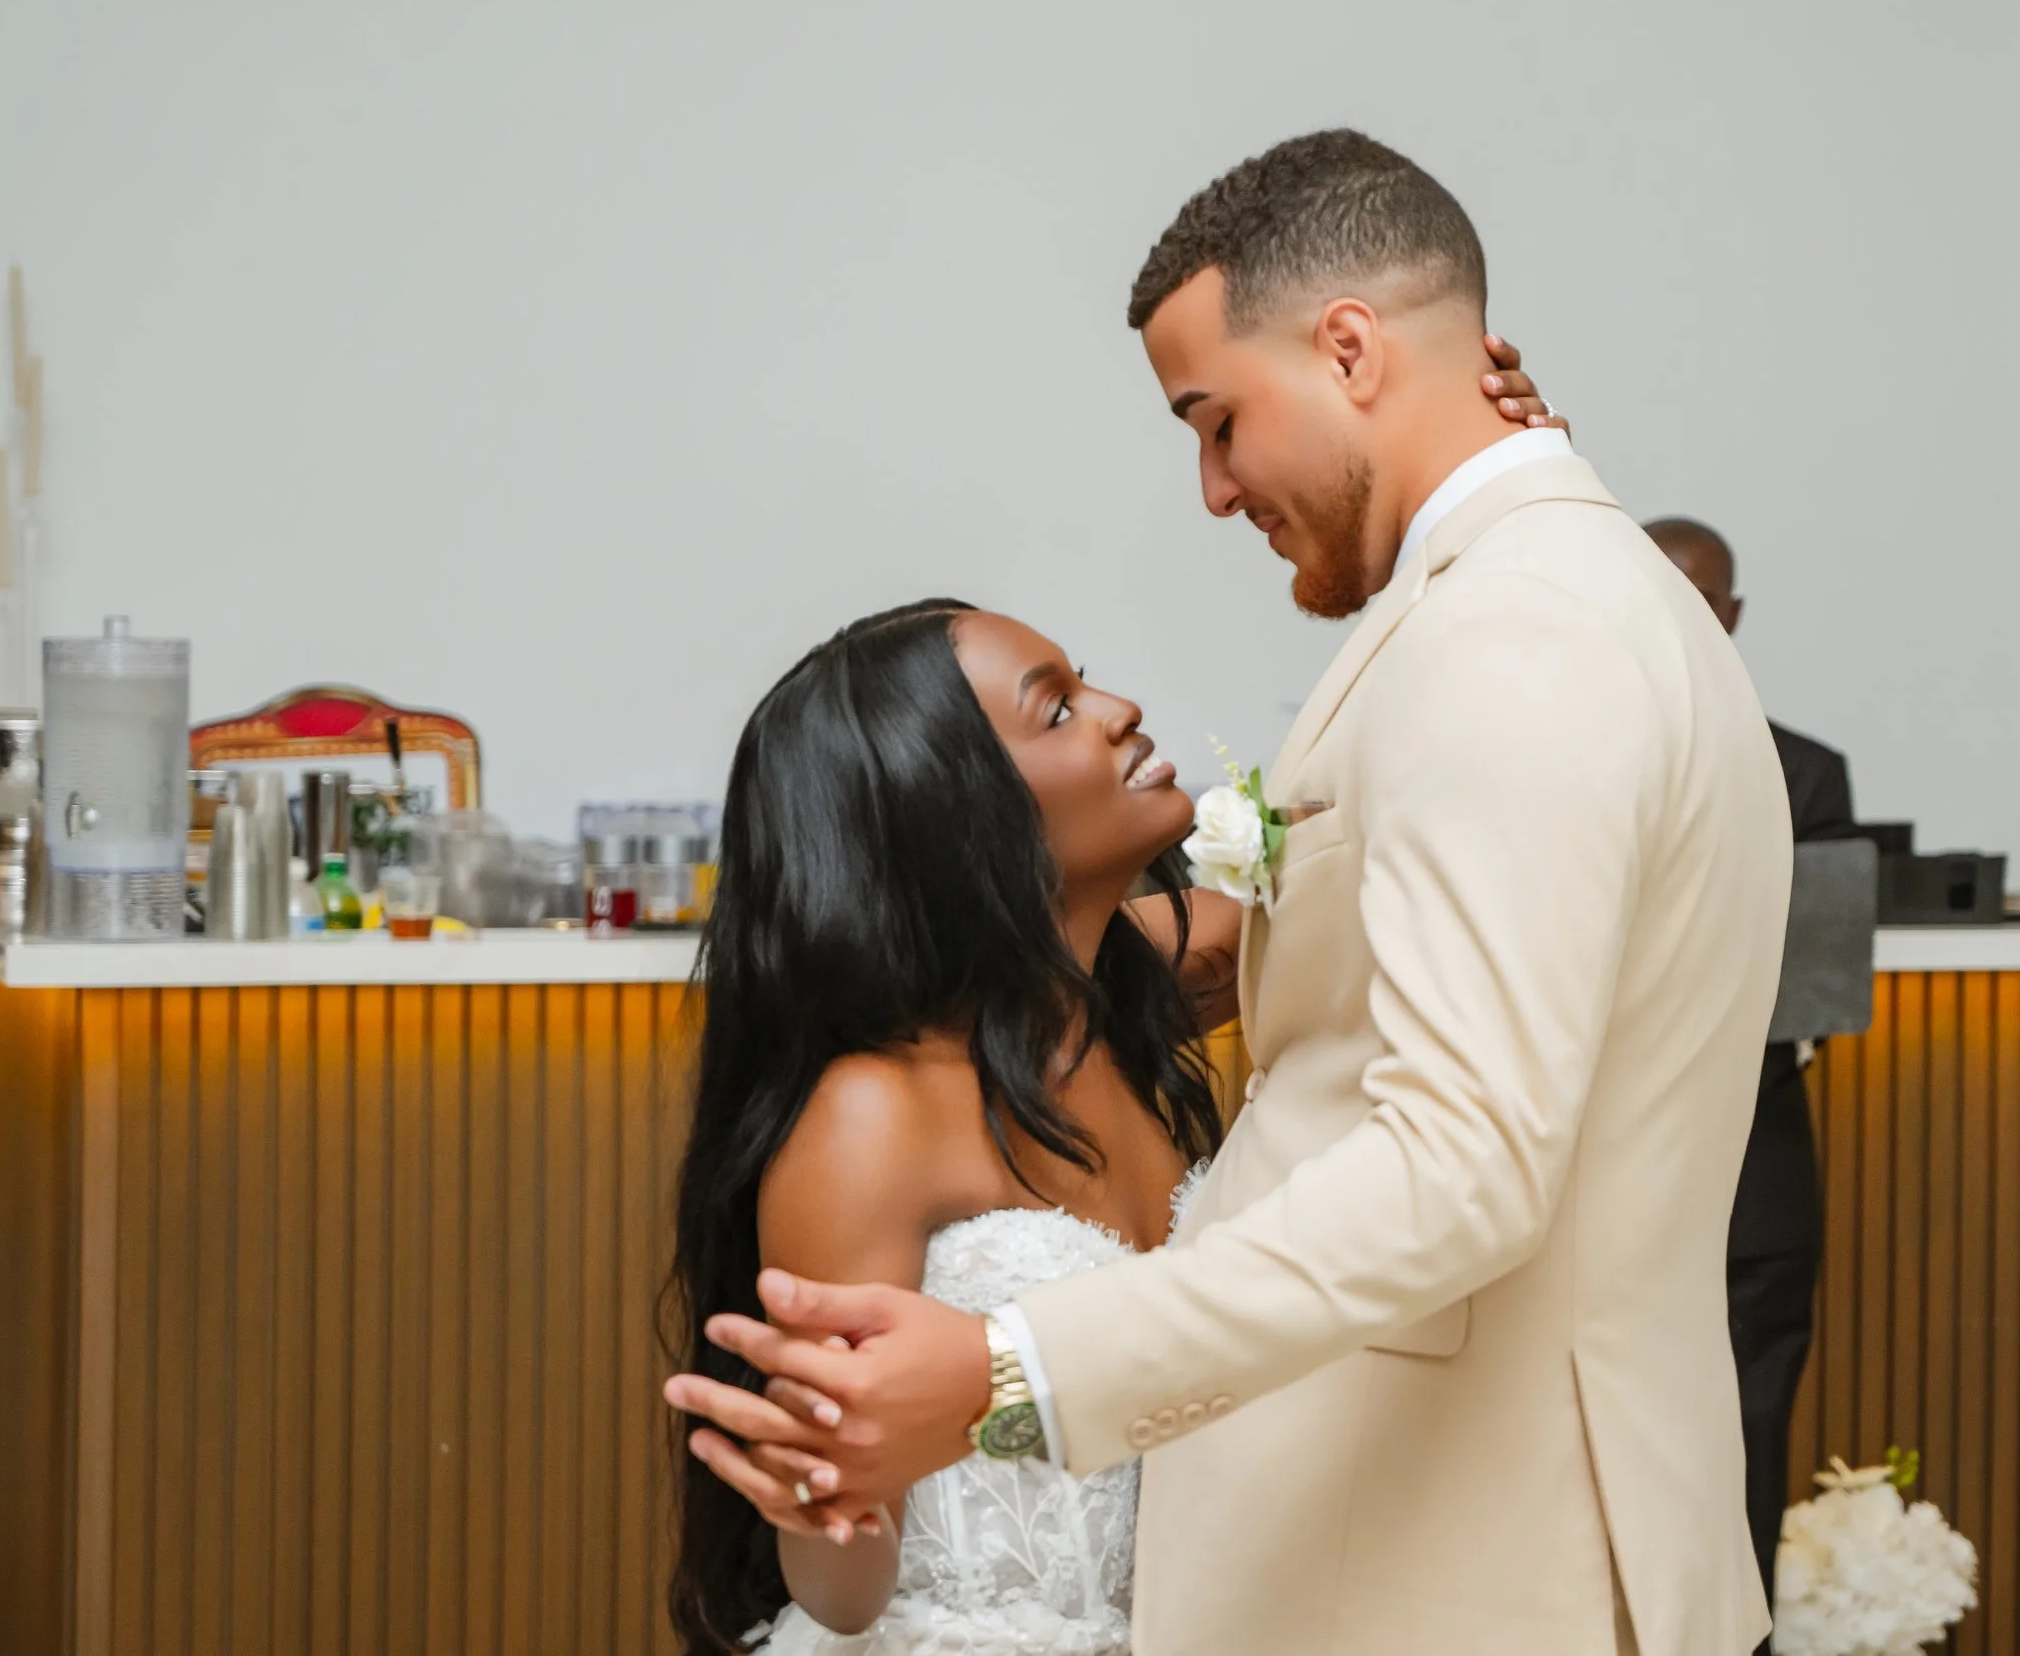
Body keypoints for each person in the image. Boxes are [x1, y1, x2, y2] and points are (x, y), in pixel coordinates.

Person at [669, 129, 1790, 1656]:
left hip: (1473, 1570)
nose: (1212, 488)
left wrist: (1006, 1371)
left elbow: (1462, 1161)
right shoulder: (1577, 599)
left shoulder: (1511, 631)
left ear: (1349, 349)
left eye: (1218, 420)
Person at [667, 348, 1565, 1652]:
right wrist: (828, 1500)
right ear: (954, 816)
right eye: (1057, 709)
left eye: (1082, 679)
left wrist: (1484, 493)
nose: (1119, 707)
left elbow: (1386, 853)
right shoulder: (872, 1113)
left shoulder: (1134, 981)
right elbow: (844, 1593)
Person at [1646, 515, 1854, 1651]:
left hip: (1752, 1173)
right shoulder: (1555, 752)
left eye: (1702, 600)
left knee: (1752, 1436)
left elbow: (1809, 981)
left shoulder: (1807, 775)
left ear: (1731, 618)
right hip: (1594, 1173)